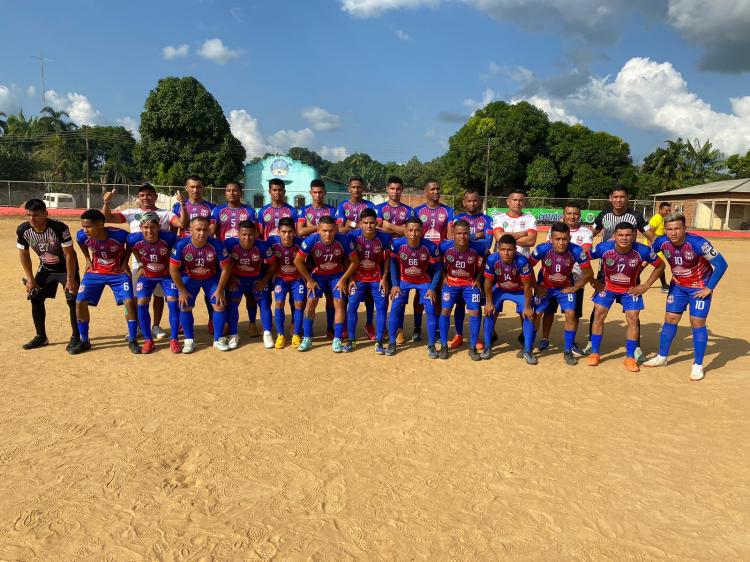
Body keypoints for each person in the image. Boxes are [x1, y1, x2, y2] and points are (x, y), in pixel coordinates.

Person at [643, 212, 728, 381]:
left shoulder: (698, 243)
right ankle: (662, 357)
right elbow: (647, 257)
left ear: (684, 228)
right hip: (678, 287)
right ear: (665, 230)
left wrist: (709, 288)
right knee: (671, 318)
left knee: (697, 322)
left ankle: (697, 365)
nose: (673, 232)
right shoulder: (661, 242)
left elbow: (721, 264)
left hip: (698, 288)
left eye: (677, 228)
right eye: (669, 229)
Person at [102, 182, 186, 340]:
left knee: (159, 295)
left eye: (148, 194)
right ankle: (139, 326)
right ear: (138, 198)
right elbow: (107, 218)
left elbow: (181, 224)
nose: (145, 197)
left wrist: (183, 205)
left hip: (162, 262)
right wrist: (107, 202)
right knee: (135, 296)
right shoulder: (130, 212)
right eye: (142, 195)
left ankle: (156, 325)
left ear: (155, 197)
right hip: (139, 262)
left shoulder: (166, 213)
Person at [583, 184, 655, 359]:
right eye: (615, 197)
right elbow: (590, 234)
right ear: (610, 198)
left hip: (630, 268)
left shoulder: (636, 216)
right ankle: (593, 342)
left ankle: (636, 347)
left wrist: (646, 259)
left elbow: (652, 237)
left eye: (622, 196)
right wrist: (583, 244)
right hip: (606, 268)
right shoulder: (603, 215)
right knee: (598, 308)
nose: (618, 200)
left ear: (627, 198)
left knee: (632, 312)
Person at [587, 223, 665, 372]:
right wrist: (593, 280)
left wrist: (646, 286)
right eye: (621, 235)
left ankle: (630, 357)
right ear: (615, 236)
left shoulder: (642, 250)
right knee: (598, 313)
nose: (624, 238)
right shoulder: (603, 247)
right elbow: (583, 260)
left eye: (628, 235)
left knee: (633, 318)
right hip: (608, 287)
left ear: (634, 235)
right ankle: (595, 353)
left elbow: (660, 266)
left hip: (630, 289)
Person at [72, 209, 140, 355]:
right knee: (79, 302)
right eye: (83, 226)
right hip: (95, 272)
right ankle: (84, 340)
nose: (85, 230)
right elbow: (80, 242)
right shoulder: (82, 236)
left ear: (101, 224)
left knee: (129, 302)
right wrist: (87, 259)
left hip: (118, 274)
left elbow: (132, 242)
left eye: (88, 226)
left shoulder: (119, 235)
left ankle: (133, 339)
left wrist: (124, 262)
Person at [16, 198, 80, 351]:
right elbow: (24, 254)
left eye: (36, 215)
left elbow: (69, 255)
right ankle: (41, 336)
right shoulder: (23, 230)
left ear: (46, 213)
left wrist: (71, 280)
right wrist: (30, 279)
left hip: (66, 268)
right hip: (46, 268)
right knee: (35, 296)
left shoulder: (59, 228)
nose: (32, 219)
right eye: (28, 215)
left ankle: (76, 337)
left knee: (73, 299)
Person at [529, 222, 593, 365]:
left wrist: (575, 287)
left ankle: (567, 350)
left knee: (570, 314)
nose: (561, 242)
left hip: (565, 288)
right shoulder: (542, 249)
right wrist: (536, 286)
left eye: (564, 239)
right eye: (557, 239)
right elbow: (526, 267)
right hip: (545, 287)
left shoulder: (576, 250)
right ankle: (529, 346)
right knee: (537, 314)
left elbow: (589, 273)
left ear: (569, 238)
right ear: (551, 239)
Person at [294, 216, 359, 352]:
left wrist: (343, 280)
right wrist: (309, 280)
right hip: (318, 275)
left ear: (336, 229)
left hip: (336, 275)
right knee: (311, 302)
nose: (327, 234)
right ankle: (307, 338)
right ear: (318, 229)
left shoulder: (344, 240)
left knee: (339, 302)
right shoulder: (311, 240)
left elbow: (355, 262)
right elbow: (297, 261)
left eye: (330, 230)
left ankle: (337, 339)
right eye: (324, 230)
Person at [169, 216, 232, 353]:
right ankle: (189, 340)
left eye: (205, 229)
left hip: (211, 278)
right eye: (198, 229)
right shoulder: (181, 245)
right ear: (190, 230)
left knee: (219, 304)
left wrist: (220, 289)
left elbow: (226, 268)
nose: (202, 233)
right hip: (189, 278)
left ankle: (218, 339)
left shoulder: (217, 245)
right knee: (184, 304)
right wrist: (182, 290)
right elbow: (173, 270)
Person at [209, 181, 261, 336]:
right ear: (225, 193)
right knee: (227, 292)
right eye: (228, 190)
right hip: (225, 257)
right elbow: (211, 231)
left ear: (241, 193)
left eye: (235, 190)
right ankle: (227, 324)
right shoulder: (218, 211)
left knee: (250, 294)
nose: (232, 193)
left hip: (246, 256)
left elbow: (256, 233)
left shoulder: (249, 211)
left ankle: (252, 323)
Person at [387, 217, 442, 358]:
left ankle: (431, 345)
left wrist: (432, 288)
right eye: (410, 230)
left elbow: (438, 268)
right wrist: (395, 285)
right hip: (404, 281)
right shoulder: (397, 244)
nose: (413, 233)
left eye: (417, 230)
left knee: (430, 308)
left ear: (422, 231)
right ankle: (392, 342)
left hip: (423, 281)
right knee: (395, 306)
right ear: (405, 231)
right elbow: (392, 264)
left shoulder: (430, 247)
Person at [447, 188, 494, 351]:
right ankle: (459, 334)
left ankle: (476, 337)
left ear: (479, 201)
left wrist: (469, 238)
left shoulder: (487, 219)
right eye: (469, 200)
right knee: (459, 304)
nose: (472, 203)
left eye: (475, 200)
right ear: (463, 202)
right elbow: (453, 239)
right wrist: (477, 235)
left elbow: (488, 243)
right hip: (460, 265)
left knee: (476, 304)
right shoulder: (457, 218)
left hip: (478, 267)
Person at [127, 212, 180, 354]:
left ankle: (174, 339)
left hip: (166, 276)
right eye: (145, 227)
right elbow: (132, 247)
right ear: (140, 227)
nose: (149, 231)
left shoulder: (169, 237)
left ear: (159, 227)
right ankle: (148, 340)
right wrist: (139, 263)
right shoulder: (133, 239)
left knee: (173, 301)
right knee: (142, 302)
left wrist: (172, 265)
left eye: (152, 227)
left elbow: (178, 249)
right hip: (147, 276)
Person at [481, 234, 535, 364]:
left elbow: (527, 286)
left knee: (528, 315)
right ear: (498, 249)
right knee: (489, 311)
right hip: (500, 289)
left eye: (510, 250)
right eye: (503, 249)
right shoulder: (492, 260)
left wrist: (527, 307)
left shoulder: (522, 261)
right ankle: (487, 346)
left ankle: (527, 350)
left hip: (519, 290)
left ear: (515, 249)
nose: (506, 253)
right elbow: (488, 282)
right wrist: (489, 302)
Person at [438, 220, 487, 361]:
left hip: (470, 284)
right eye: (459, 233)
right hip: (451, 283)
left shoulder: (478, 247)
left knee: (475, 311)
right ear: (453, 233)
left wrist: (478, 278)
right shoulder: (444, 246)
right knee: (445, 310)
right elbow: (437, 260)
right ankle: (443, 346)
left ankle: (472, 347)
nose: (462, 236)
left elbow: (487, 257)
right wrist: (443, 276)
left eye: (465, 233)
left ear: (469, 233)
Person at [344, 208, 391, 353]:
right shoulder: (352, 236)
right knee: (352, 305)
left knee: (382, 306)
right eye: (366, 223)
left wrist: (384, 278)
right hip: (357, 278)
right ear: (360, 223)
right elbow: (348, 258)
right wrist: (350, 278)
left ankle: (379, 342)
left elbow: (387, 258)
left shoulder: (384, 237)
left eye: (372, 223)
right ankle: (351, 340)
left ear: (376, 223)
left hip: (377, 278)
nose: (369, 226)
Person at [335, 176, 377, 340]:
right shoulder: (342, 206)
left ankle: (369, 324)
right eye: (353, 187)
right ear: (349, 188)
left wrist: (350, 224)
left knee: (369, 295)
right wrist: (356, 225)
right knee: (347, 291)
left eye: (359, 187)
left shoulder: (370, 205)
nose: (356, 190)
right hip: (349, 250)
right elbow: (340, 229)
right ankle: (344, 325)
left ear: (363, 188)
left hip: (370, 249)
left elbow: (375, 226)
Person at [412, 180, 454, 341]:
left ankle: (436, 328)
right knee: (419, 292)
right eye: (433, 189)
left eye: (438, 188)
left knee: (436, 292)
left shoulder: (448, 210)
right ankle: (417, 327)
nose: (436, 191)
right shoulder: (417, 211)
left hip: (439, 258)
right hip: (421, 258)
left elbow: (450, 237)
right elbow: (413, 235)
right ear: (426, 192)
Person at [224, 221, 276, 350]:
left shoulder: (262, 246)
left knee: (264, 303)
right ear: (238, 234)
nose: (247, 238)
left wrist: (264, 280)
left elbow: (274, 264)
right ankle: (233, 334)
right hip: (237, 280)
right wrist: (230, 277)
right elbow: (222, 264)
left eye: (250, 235)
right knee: (232, 304)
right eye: (244, 234)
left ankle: (267, 333)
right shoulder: (230, 244)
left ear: (256, 234)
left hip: (257, 279)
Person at [375, 175, 414, 344]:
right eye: (392, 188)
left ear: (402, 190)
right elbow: (375, 229)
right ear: (387, 189)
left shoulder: (409, 211)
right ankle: (383, 328)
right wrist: (398, 230)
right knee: (383, 294)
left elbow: (408, 232)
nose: (395, 192)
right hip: (381, 256)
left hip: (401, 258)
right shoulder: (378, 209)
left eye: (398, 189)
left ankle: (399, 329)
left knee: (400, 296)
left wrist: (388, 226)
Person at [297, 179, 337, 339]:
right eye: (315, 192)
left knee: (330, 298)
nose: (318, 195)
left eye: (320, 192)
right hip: (310, 258)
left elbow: (337, 230)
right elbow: (300, 232)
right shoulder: (304, 210)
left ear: (325, 193)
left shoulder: (332, 211)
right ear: (310, 193)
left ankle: (330, 328)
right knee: (308, 296)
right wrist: (320, 227)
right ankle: (303, 330)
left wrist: (311, 227)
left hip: (330, 256)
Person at [267, 218, 305, 349]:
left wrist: (305, 275)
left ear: (294, 232)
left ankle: (295, 334)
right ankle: (280, 334)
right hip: (281, 278)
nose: (287, 235)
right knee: (279, 303)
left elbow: (309, 261)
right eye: (283, 232)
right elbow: (267, 260)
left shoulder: (301, 243)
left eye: (290, 231)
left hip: (297, 278)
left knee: (299, 303)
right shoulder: (272, 243)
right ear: (278, 232)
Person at [492, 189, 537, 257]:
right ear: (508, 201)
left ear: (524, 203)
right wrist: (523, 233)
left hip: (522, 263)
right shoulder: (499, 218)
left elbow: (531, 241)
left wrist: (505, 239)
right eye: (515, 200)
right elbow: (499, 237)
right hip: (501, 262)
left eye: (520, 200)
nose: (517, 203)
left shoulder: (530, 218)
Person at [648, 201, 672, 292]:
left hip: (658, 246)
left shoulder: (662, 218)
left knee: (644, 264)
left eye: (669, 211)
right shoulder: (656, 218)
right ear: (660, 209)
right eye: (666, 210)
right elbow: (650, 232)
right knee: (660, 264)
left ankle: (664, 285)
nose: (668, 213)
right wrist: (651, 246)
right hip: (652, 246)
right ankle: (664, 286)